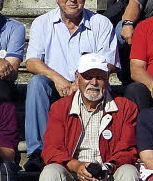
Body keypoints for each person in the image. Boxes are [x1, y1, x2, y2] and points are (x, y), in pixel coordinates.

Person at [23, 0, 118, 172]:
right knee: (37, 83)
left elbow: (109, 63)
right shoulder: (42, 23)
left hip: (90, 84)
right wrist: (58, 79)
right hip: (56, 87)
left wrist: (81, 82)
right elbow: (31, 62)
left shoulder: (101, 23)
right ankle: (37, 152)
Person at [40, 53, 139, 181]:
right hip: (73, 172)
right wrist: (77, 166)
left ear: (107, 78)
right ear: (77, 78)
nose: (94, 82)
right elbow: (52, 149)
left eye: (100, 77)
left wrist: (107, 167)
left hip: (109, 173)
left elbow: (128, 149)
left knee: (129, 171)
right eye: (88, 77)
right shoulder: (60, 108)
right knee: (51, 172)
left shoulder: (126, 107)